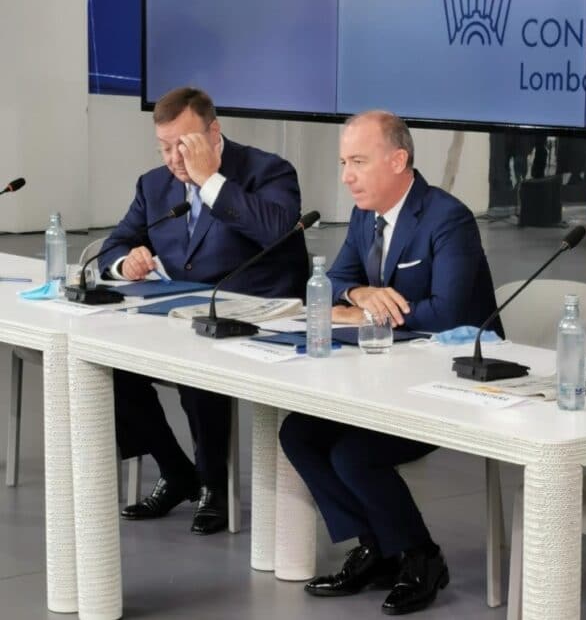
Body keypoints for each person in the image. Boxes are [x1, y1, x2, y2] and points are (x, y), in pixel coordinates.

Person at [279, 110, 501, 615]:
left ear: (398, 161)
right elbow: (335, 281)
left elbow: (446, 314)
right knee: (299, 434)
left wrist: (365, 312)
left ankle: (422, 557)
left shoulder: (447, 218)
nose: (346, 176)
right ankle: (376, 548)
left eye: (358, 161)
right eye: (343, 162)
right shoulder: (365, 215)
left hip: (453, 378)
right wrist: (360, 293)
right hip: (390, 372)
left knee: (354, 454)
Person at [99, 87, 308, 535]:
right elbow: (116, 243)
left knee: (198, 361)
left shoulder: (266, 170)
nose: (174, 159)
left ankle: (215, 484)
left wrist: (211, 180)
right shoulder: (154, 184)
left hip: (259, 316)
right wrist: (126, 261)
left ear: (214, 133)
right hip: (180, 313)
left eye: (184, 145)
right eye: (164, 147)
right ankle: (176, 471)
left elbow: (279, 229)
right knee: (107, 363)